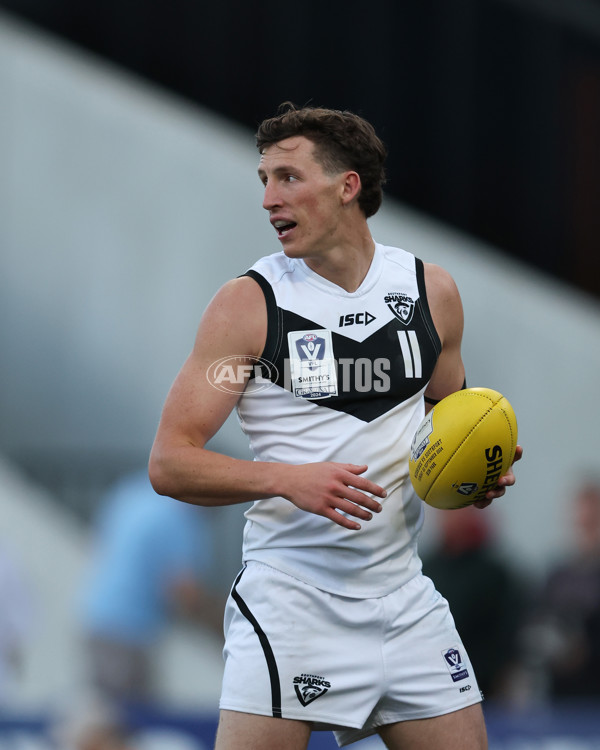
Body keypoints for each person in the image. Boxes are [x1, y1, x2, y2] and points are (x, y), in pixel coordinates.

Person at [148, 102, 523, 749]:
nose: (268, 199)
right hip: (292, 598)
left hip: (404, 597)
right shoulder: (248, 306)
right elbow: (170, 462)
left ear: (347, 185)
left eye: (287, 177)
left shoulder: (431, 292)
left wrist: (477, 476)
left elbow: (451, 424)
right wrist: (284, 479)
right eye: (263, 179)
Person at [79, 469, 224, 705]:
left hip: (96, 616)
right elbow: (184, 592)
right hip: (126, 633)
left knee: (106, 715)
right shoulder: (181, 517)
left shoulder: (134, 490)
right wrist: (230, 626)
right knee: (124, 722)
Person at [421, 506, 525, 703]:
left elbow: (509, 630)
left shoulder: (495, 573)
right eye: (448, 511)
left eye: (461, 511)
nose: (453, 518)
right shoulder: (426, 568)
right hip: (434, 683)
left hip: (484, 685)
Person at [520, 480, 600, 702]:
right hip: (561, 697)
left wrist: (586, 651)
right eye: (581, 522)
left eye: (592, 522)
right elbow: (533, 628)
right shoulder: (557, 575)